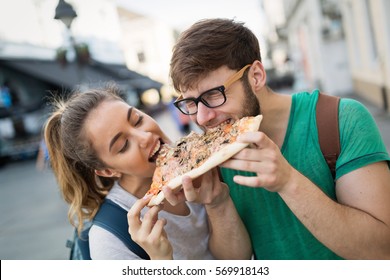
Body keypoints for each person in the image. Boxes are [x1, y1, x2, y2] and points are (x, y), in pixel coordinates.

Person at [165, 18, 390, 260]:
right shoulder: (214, 160)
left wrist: (288, 182)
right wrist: (217, 204)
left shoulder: (341, 119)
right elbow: (235, 262)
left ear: (256, 76)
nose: (202, 117)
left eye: (213, 95)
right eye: (190, 102)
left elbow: (381, 251)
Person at [44, 84, 233, 260]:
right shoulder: (108, 241)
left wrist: (218, 203)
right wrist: (161, 261)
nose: (145, 137)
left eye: (138, 120)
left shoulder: (199, 160)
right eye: (123, 145)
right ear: (108, 171)